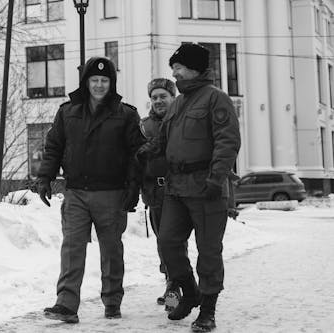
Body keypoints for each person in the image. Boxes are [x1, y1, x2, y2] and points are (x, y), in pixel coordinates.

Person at [138, 43, 241, 332]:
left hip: (206, 186)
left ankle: (207, 310)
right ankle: (189, 291)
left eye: (179, 68)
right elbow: (163, 139)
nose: (175, 73)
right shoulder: (180, 102)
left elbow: (227, 142)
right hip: (177, 187)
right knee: (168, 242)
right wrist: (144, 151)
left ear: (194, 68)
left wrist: (216, 178)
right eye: (174, 69)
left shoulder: (216, 99)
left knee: (208, 252)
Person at [37, 56, 145, 324]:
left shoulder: (126, 114)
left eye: (104, 80)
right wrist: (44, 178)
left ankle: (112, 300)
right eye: (94, 80)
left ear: (112, 83)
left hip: (111, 193)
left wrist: (133, 188)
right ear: (85, 82)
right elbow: (54, 147)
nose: (99, 85)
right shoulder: (67, 112)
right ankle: (66, 304)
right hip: (76, 192)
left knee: (111, 250)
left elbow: (137, 154)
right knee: (72, 248)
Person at [140, 78, 181, 311]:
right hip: (154, 193)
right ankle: (171, 283)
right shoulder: (144, 127)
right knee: (162, 243)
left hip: (178, 191)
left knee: (173, 243)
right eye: (154, 97)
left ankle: (175, 291)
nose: (158, 101)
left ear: (172, 97)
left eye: (162, 96)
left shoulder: (181, 122)